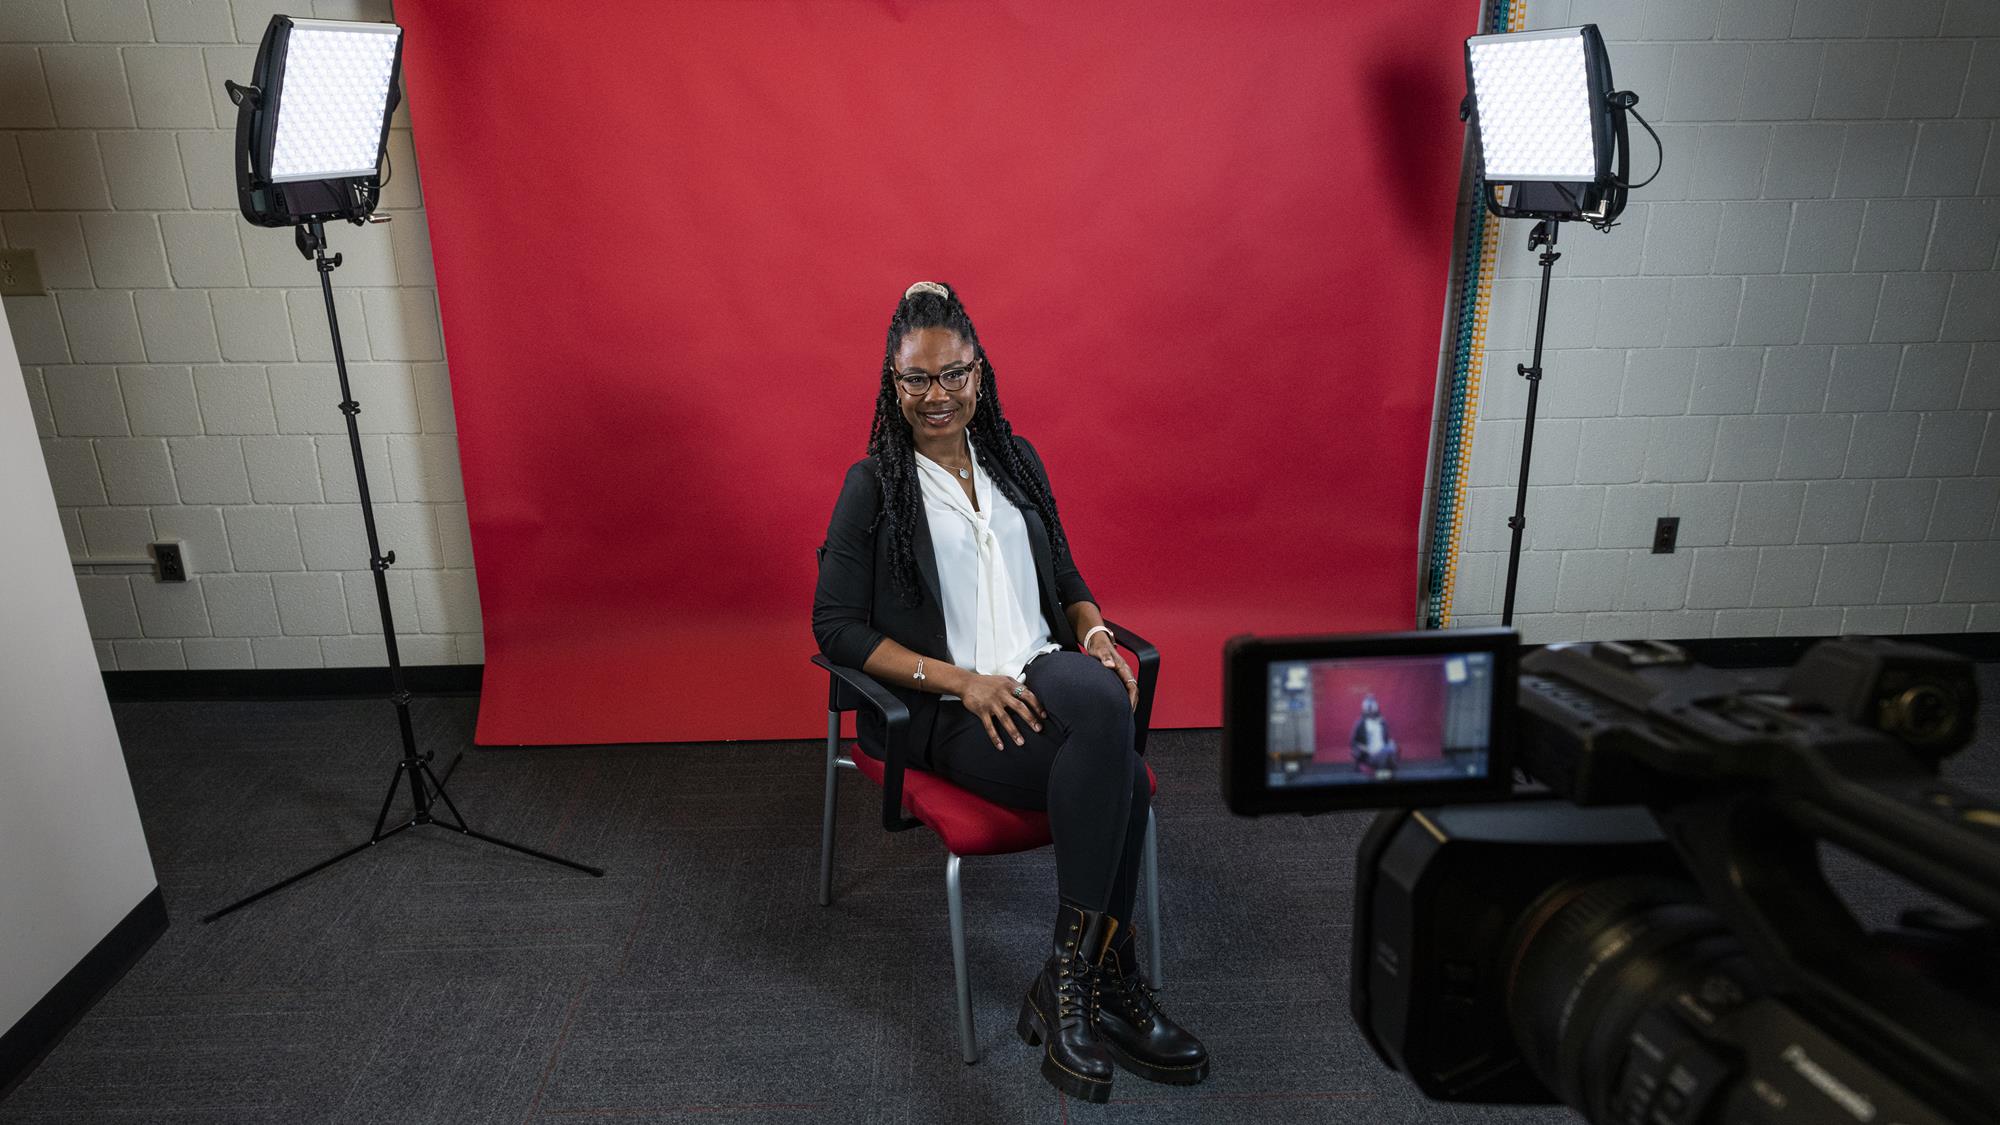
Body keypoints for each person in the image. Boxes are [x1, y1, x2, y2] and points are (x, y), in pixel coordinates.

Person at [813, 281, 1209, 1101]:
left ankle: (1066, 982)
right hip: (951, 707)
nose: (936, 396)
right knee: (1125, 778)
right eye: (916, 379)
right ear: (893, 385)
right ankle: (1111, 979)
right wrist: (962, 681)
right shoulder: (874, 487)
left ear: (979, 374)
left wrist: (1095, 633)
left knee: (1100, 691)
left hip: (1039, 667)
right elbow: (836, 629)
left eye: (952, 374)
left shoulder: (1016, 460)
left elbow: (1063, 574)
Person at [1350, 692, 1399, 774]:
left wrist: (1390, 745)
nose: (1370, 712)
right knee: (1382, 758)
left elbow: (1386, 738)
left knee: (1393, 747)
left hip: (1382, 750)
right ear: (1364, 709)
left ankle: (1386, 766)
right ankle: (1374, 767)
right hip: (1368, 753)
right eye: (1368, 709)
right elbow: (1353, 742)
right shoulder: (1360, 724)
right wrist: (1362, 749)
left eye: (1372, 708)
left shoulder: (1382, 722)